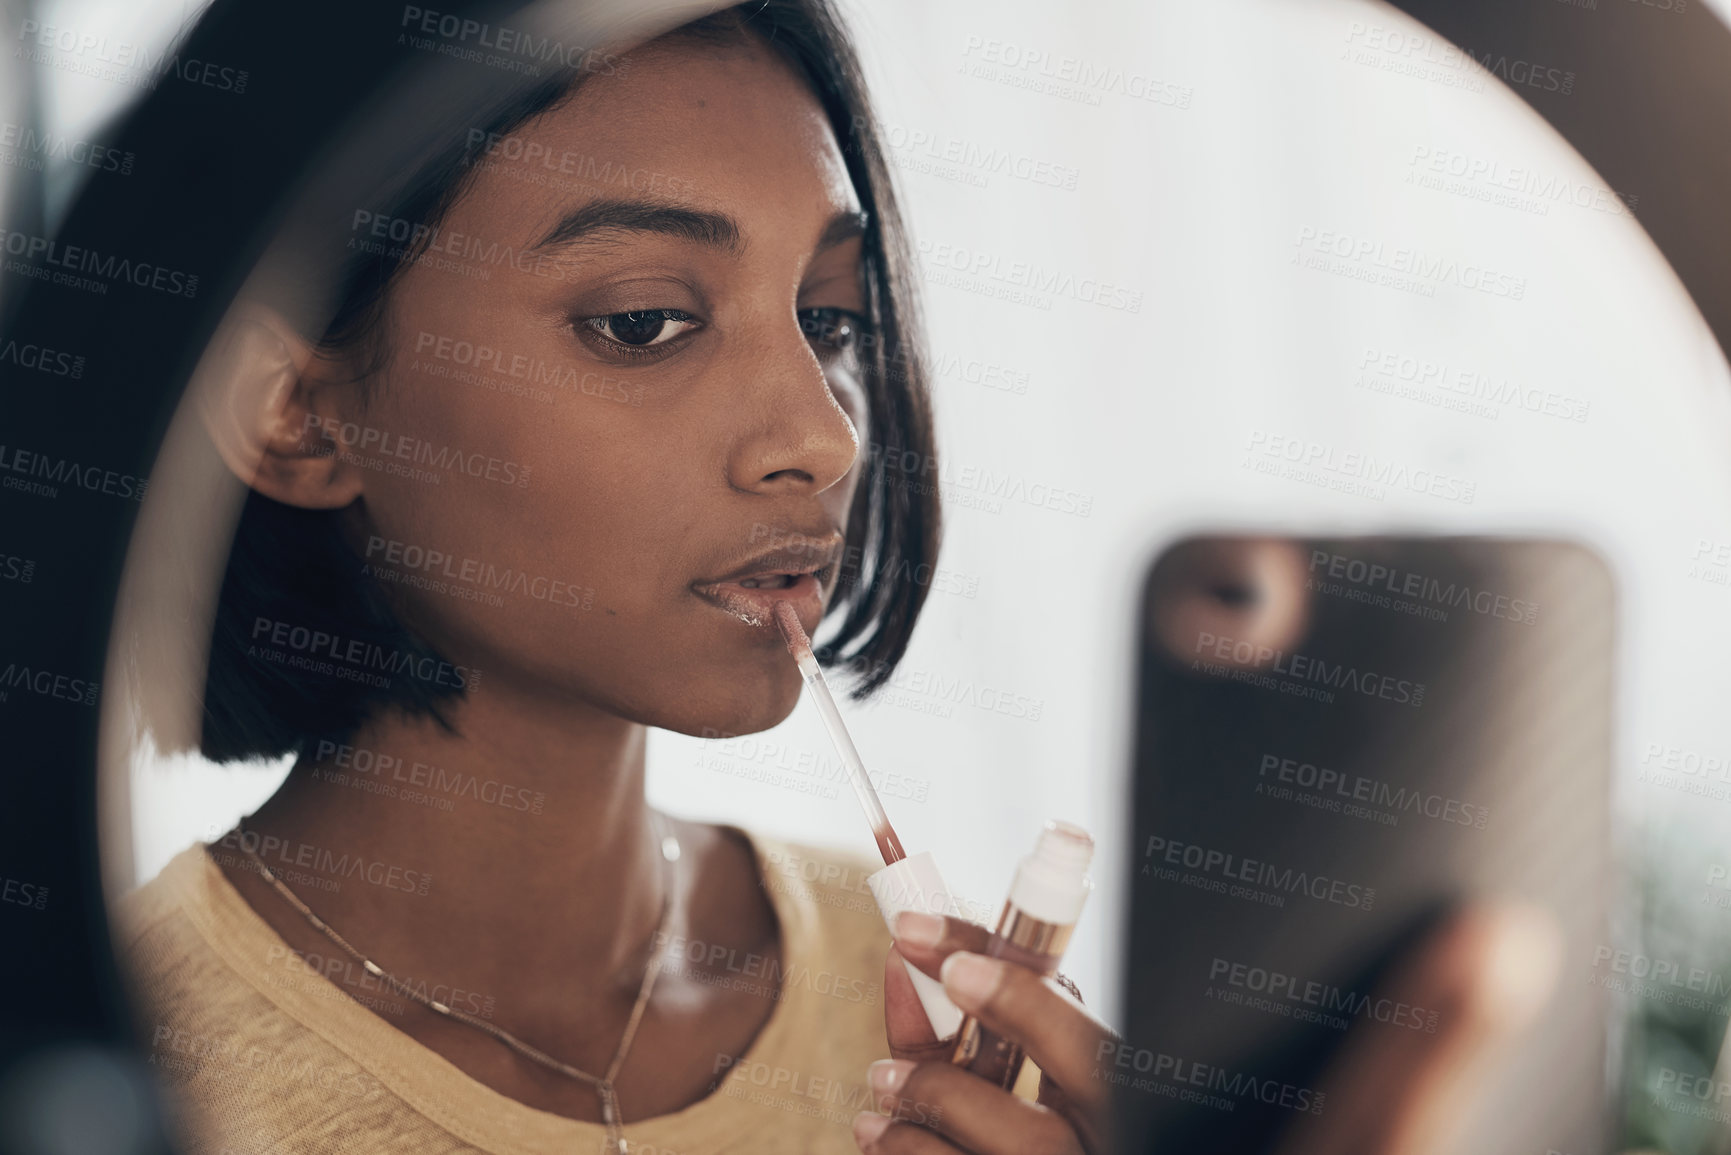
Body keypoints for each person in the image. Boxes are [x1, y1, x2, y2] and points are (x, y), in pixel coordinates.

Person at [110, 1, 1561, 1152]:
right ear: (296, 411)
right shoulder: (126, 1058)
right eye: (643, 323)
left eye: (829, 318)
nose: (821, 434)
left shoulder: (934, 1027)